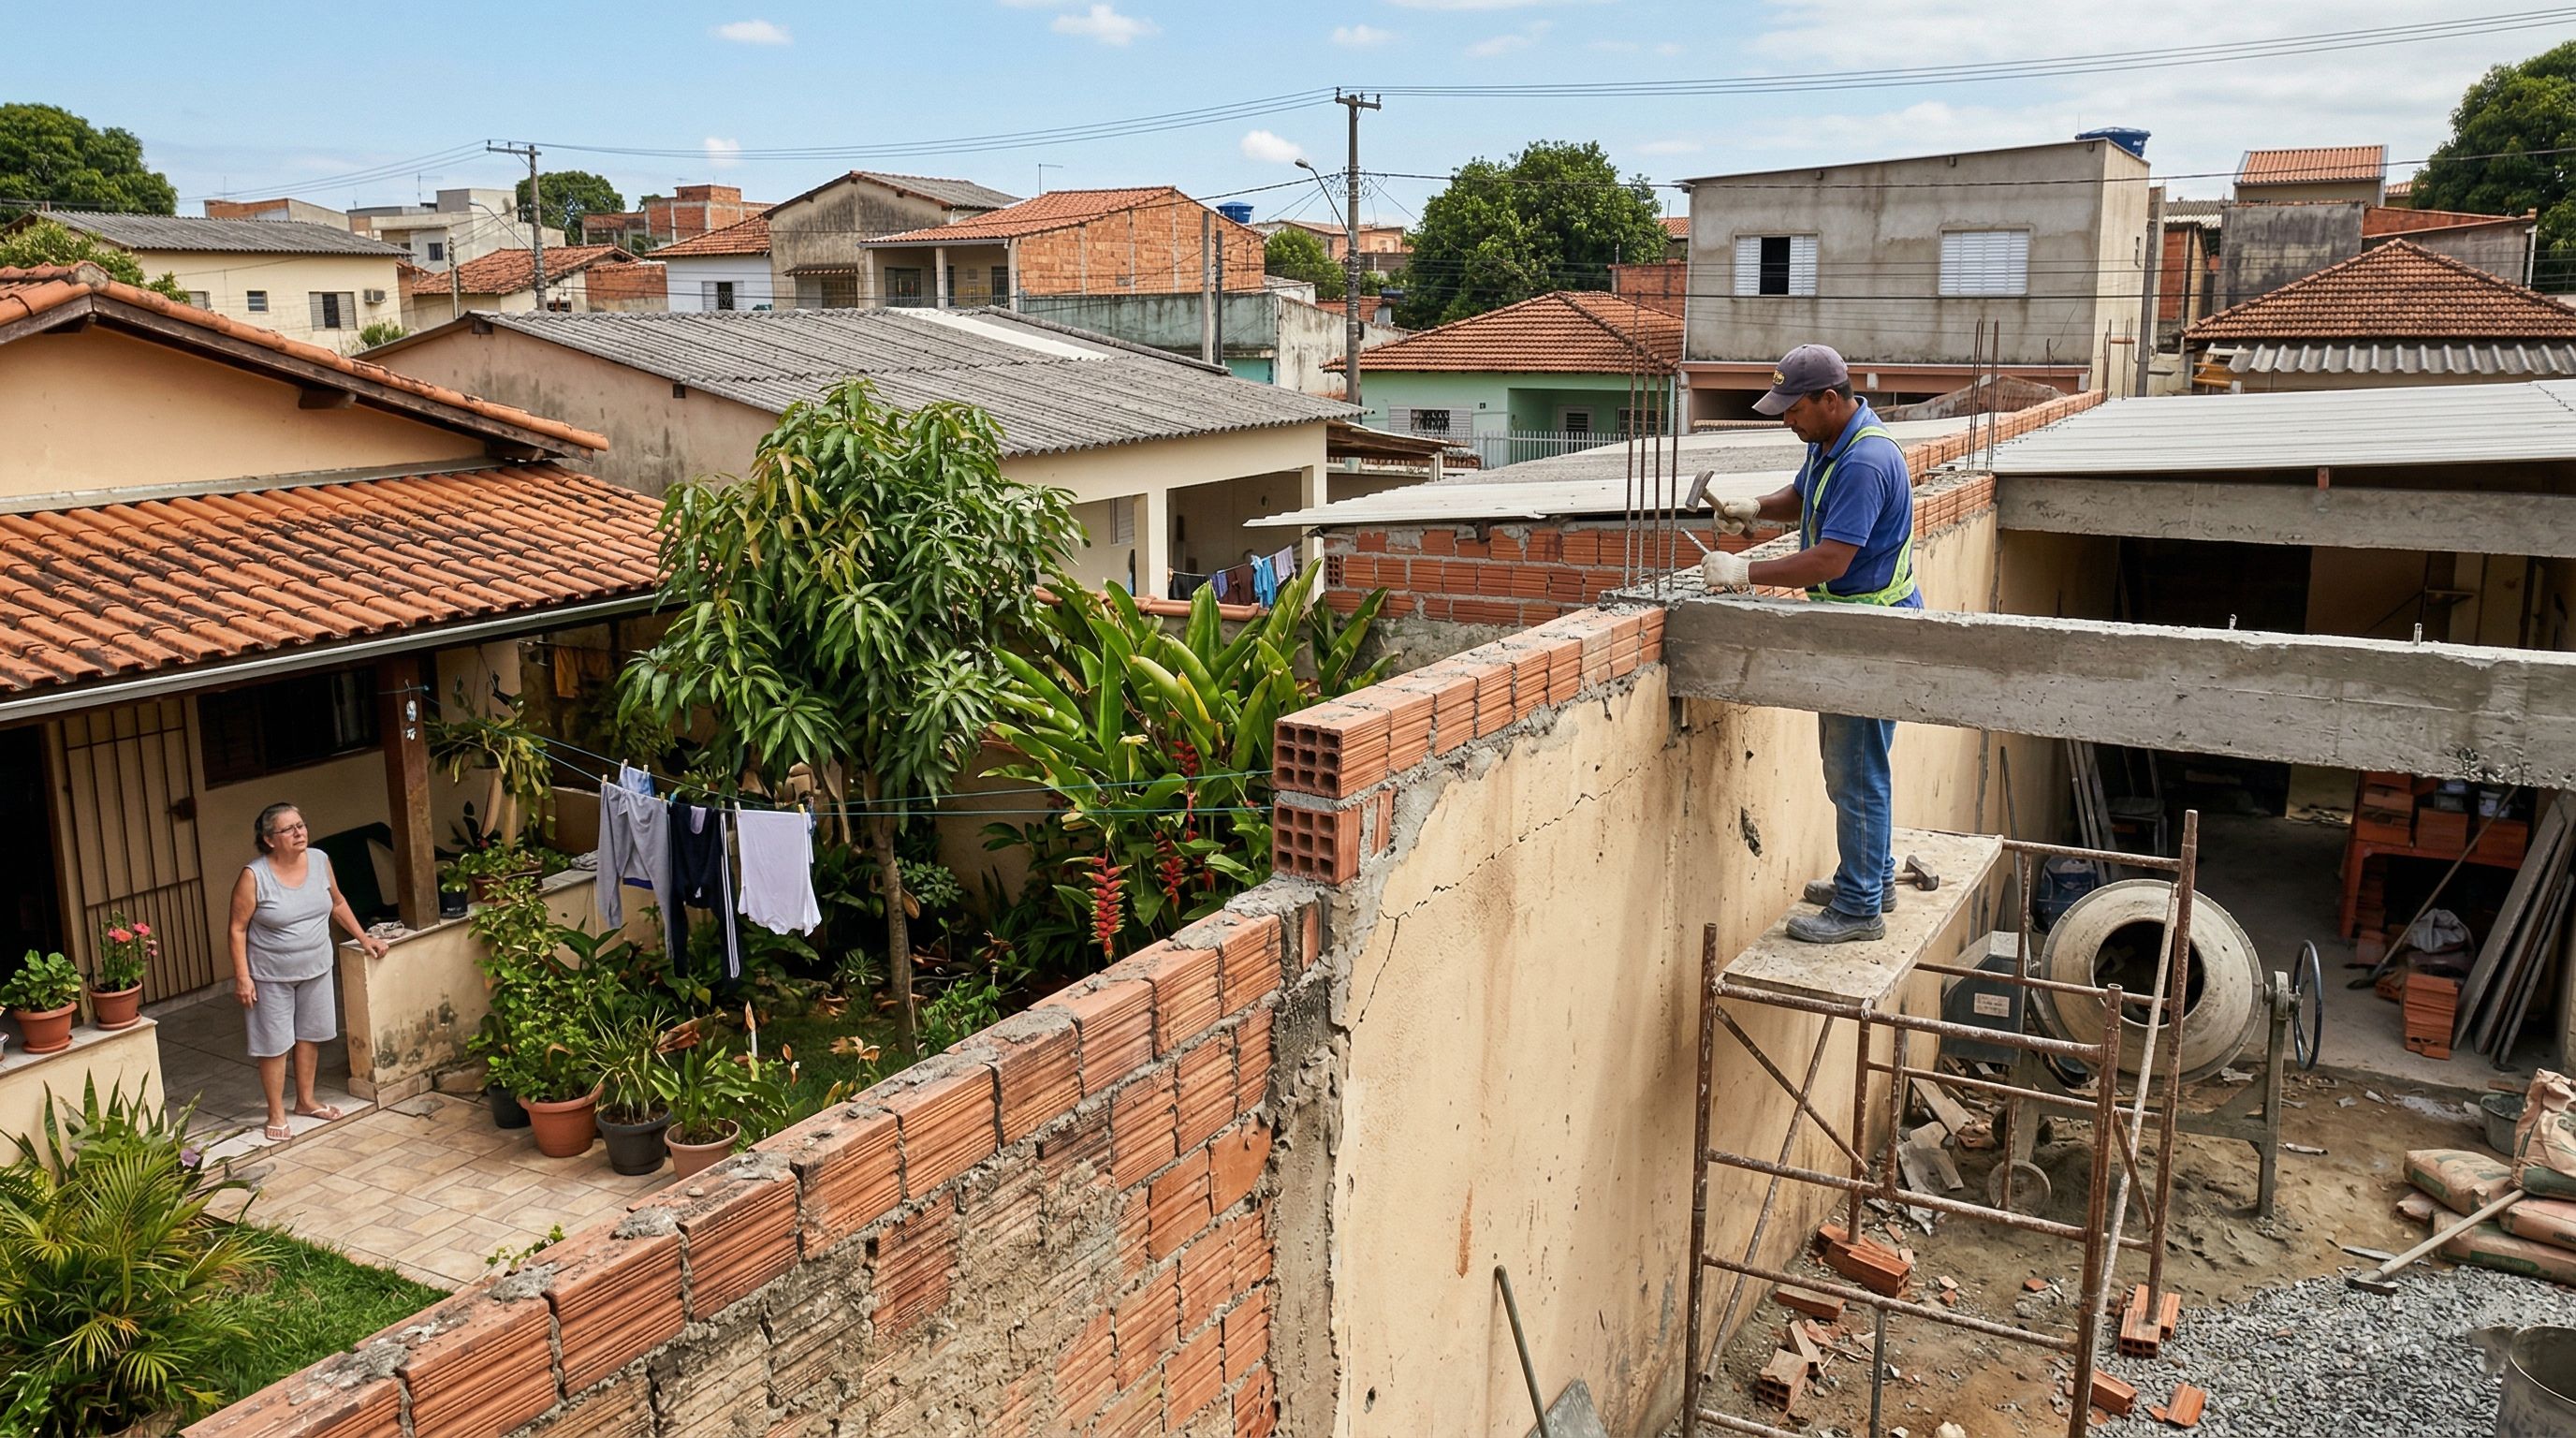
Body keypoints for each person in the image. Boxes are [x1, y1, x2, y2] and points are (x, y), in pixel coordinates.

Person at [1699, 344, 1920, 946]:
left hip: (1869, 631)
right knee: (1857, 764)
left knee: (1855, 771)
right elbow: (1803, 496)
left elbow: (1830, 557)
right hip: (1850, 622)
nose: (1787, 421)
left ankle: (1858, 909)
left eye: (1793, 410)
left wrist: (1745, 573)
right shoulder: (1832, 443)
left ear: (1829, 398)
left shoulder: (1866, 463)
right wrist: (1756, 508)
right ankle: (1872, 877)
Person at [227, 803, 387, 1141]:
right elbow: (238, 928)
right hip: (270, 975)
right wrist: (243, 976)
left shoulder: (318, 860)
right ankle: (276, 1113)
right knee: (274, 1044)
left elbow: (338, 902)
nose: (300, 833)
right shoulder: (254, 876)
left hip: (316, 967)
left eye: (301, 825)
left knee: (310, 1035)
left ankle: (306, 1101)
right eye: (289, 829)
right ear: (269, 840)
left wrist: (364, 938)